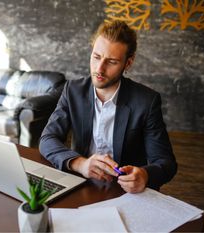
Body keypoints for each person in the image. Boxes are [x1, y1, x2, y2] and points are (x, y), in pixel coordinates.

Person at [39, 20, 177, 193]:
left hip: (124, 190)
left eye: (111, 62)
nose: (100, 69)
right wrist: (80, 164)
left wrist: (145, 175)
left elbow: (166, 162)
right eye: (96, 57)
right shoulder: (72, 91)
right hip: (81, 182)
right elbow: (47, 139)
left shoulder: (146, 102)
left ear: (128, 63)